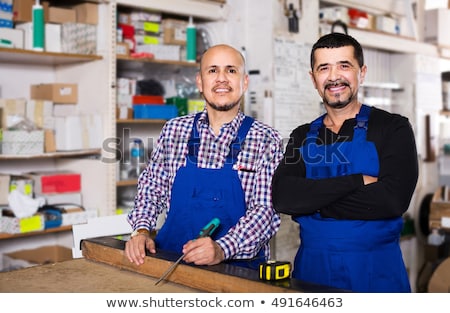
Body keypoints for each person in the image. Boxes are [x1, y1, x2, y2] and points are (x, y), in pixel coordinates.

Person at [271, 32, 418, 292]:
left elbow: (392, 200)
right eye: (324, 68)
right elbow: (284, 198)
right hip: (311, 271)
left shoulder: (393, 128)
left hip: (375, 271)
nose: (334, 76)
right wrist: (357, 181)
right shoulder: (301, 135)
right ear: (313, 78)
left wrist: (313, 203)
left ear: (361, 72)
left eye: (344, 65)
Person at [125, 44, 284, 270]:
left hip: (236, 271)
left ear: (244, 82)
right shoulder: (174, 130)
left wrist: (222, 248)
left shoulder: (266, 139)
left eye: (231, 70)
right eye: (212, 71)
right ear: (200, 82)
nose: (221, 79)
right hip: (172, 264)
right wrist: (141, 230)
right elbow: (152, 187)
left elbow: (265, 212)